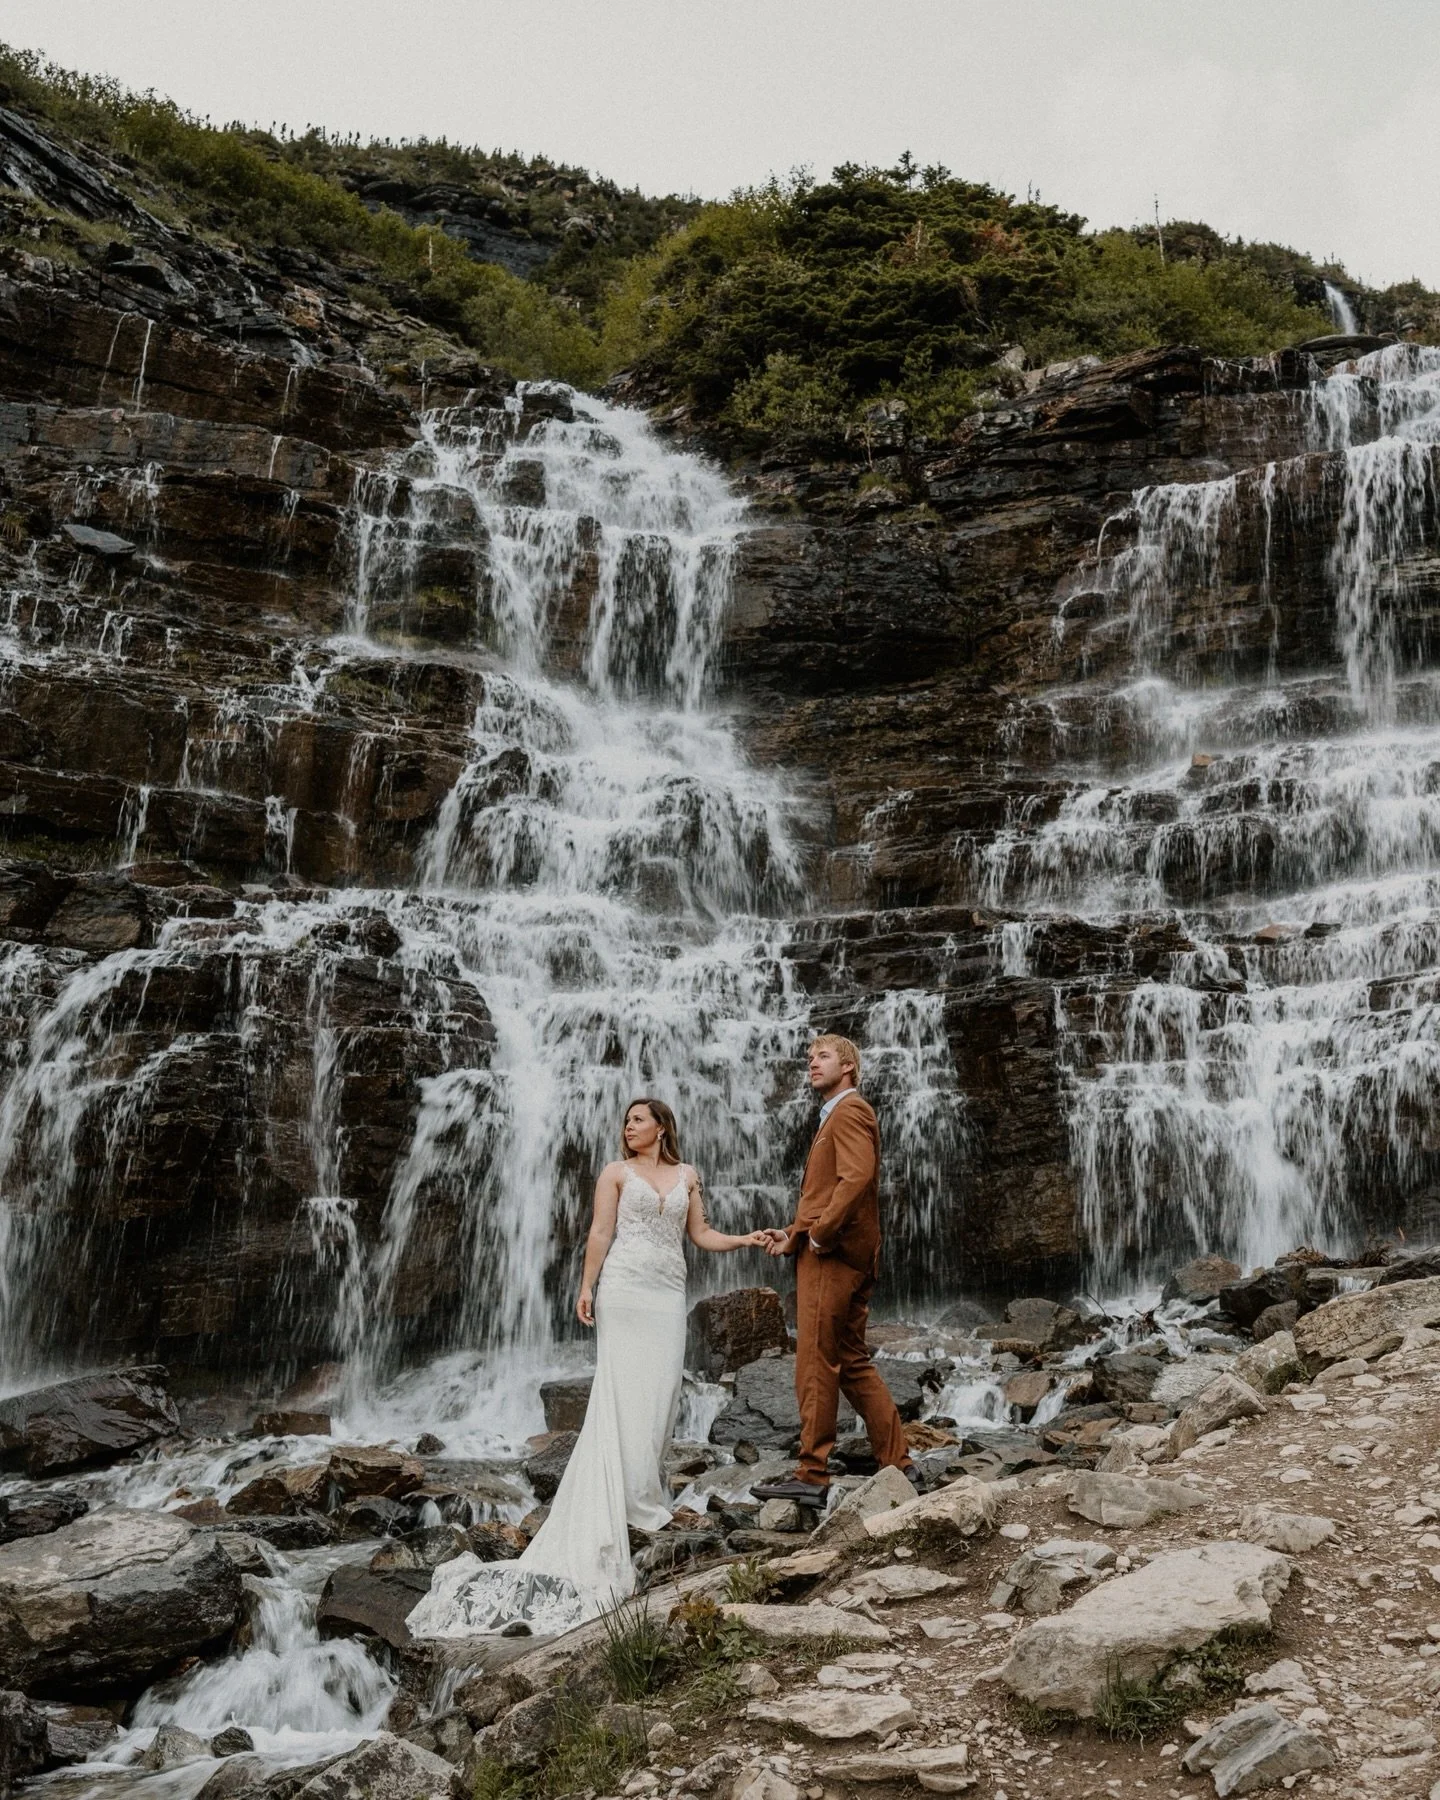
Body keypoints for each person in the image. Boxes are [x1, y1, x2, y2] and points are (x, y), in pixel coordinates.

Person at [408, 1097, 769, 1637]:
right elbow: (601, 1232)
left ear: (662, 1127)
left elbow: (699, 1234)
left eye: (638, 1119)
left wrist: (743, 1239)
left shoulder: (688, 1174)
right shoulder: (615, 1173)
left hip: (668, 1289)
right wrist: (587, 1286)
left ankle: (643, 1491)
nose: (628, 1127)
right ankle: (624, 1498)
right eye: (625, 1120)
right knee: (623, 1388)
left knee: (662, 1388)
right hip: (624, 1286)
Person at [750, 1034, 917, 1507]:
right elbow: (828, 1192)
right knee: (852, 1360)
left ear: (848, 1067)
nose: (811, 1063)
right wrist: (794, 1234)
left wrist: (819, 1237)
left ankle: (812, 1473)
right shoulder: (838, 1115)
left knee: (816, 1360)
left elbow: (856, 1178)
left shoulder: (848, 1110)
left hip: (833, 1257)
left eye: (822, 1056)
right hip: (843, 1254)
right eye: (809, 1057)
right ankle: (899, 1463)